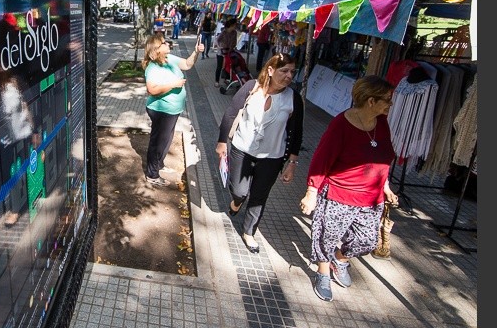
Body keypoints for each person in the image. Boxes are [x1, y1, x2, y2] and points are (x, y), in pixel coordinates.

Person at [299, 74, 399, 302]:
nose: (390, 105)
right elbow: (321, 160)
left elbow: (382, 157)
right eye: (386, 99)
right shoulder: (341, 125)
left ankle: (340, 259)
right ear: (371, 101)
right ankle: (323, 273)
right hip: (338, 194)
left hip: (371, 198)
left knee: (367, 240)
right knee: (326, 236)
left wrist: (386, 186)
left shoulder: (381, 123)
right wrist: (312, 192)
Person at [215, 53, 304, 253]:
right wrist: (222, 142)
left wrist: (292, 162)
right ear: (271, 71)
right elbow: (230, 113)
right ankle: (236, 202)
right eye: (284, 71)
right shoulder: (251, 87)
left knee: (259, 195)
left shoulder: (293, 99)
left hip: (272, 157)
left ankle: (249, 232)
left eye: (292, 72)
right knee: (239, 191)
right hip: (242, 149)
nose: (289, 76)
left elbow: (297, 132)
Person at [142, 32, 204, 186]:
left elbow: (188, 64)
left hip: (172, 110)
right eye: (164, 43)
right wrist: (173, 85)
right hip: (161, 110)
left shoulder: (169, 59)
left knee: (167, 139)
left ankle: (159, 164)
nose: (168, 44)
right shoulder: (152, 67)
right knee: (158, 142)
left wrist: (196, 51)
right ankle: (152, 174)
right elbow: (151, 90)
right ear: (157, 49)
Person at [214, 20, 237, 87]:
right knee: (219, 66)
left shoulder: (234, 33)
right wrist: (220, 47)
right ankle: (217, 81)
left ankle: (227, 79)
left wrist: (232, 47)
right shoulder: (223, 32)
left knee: (229, 66)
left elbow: (235, 41)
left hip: (229, 52)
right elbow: (217, 40)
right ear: (231, 25)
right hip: (221, 52)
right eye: (234, 25)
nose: (235, 26)